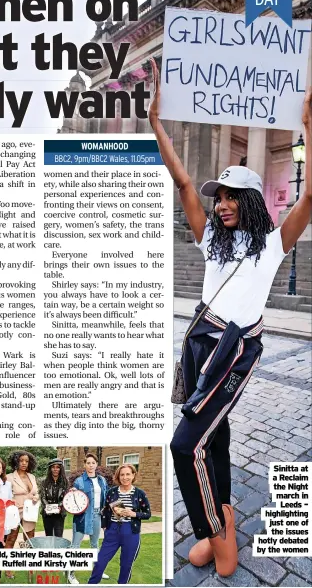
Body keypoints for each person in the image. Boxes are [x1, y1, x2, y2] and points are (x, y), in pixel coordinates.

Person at [149, 57, 312, 578]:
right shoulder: (212, 242)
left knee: (184, 443)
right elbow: (180, 183)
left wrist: (308, 124)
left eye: (229, 197)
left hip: (236, 348)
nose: (219, 205)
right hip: (200, 339)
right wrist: (156, 124)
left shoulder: (271, 244)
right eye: (217, 197)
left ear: (250, 200)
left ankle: (213, 535)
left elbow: (311, 196)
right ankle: (225, 517)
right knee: (214, 437)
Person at [88, 464, 151, 585]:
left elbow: (147, 513)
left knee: (126, 565)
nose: (125, 477)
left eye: (128, 474)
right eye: (122, 474)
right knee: (100, 562)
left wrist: (134, 514)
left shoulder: (140, 493)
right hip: (112, 530)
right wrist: (105, 526)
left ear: (133, 475)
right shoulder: (112, 492)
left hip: (131, 532)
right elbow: (106, 510)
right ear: (118, 476)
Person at [67, 453, 109, 585]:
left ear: (96, 464)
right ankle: (70, 574)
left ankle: (98, 571)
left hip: (97, 515)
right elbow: (73, 500)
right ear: (85, 464)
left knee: (95, 544)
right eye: (88, 463)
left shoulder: (102, 480)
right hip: (82, 516)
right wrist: (72, 492)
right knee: (75, 546)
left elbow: (106, 496)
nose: (91, 465)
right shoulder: (79, 481)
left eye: (93, 463)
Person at [3, 450, 39, 578]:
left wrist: (36, 497)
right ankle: (7, 569)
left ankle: (30, 566)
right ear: (15, 461)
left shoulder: (32, 477)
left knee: (29, 541)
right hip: (15, 511)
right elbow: (5, 495)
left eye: (26, 461)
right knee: (11, 539)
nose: (24, 463)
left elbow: (36, 493)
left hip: (30, 512)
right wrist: (11, 502)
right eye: (21, 460)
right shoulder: (9, 477)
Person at [39, 458, 69, 537]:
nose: (55, 469)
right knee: (48, 536)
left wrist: (59, 506)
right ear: (50, 469)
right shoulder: (44, 482)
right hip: (47, 513)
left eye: (58, 467)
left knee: (58, 537)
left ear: (61, 469)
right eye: (53, 467)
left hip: (59, 514)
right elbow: (42, 497)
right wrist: (48, 507)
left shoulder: (65, 482)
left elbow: (66, 498)